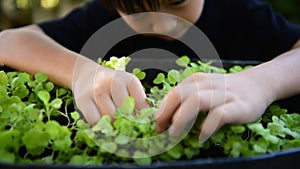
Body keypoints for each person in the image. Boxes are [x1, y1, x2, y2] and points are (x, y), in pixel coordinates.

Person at [0, 0, 299, 143]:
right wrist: (81, 71)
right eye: (137, 13)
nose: (165, 24)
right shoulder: (99, 19)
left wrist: (263, 81)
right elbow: (8, 41)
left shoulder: (242, 14)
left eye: (178, 2)